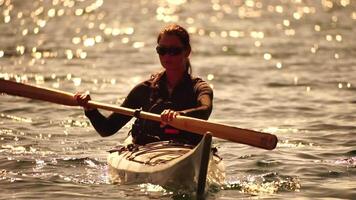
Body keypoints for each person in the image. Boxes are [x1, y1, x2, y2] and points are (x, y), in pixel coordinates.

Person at [75, 24, 213, 146]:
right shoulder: (143, 90)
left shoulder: (199, 88)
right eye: (162, 50)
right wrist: (90, 109)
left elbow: (205, 109)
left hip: (187, 148)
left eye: (174, 51)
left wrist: (178, 115)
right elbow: (107, 129)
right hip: (147, 152)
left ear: (187, 51)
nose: (167, 56)